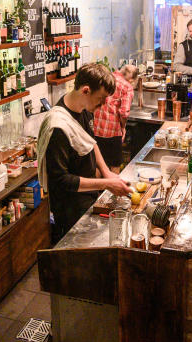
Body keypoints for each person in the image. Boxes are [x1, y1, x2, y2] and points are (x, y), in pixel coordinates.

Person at [38, 63, 132, 242]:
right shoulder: (58, 127)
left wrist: (107, 173)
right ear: (86, 90)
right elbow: (60, 181)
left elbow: (91, 142)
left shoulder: (85, 109)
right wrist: (105, 184)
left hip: (88, 198)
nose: (104, 104)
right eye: (102, 98)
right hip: (69, 210)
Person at [92, 64, 139, 170]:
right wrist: (123, 127)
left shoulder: (105, 78)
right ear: (131, 79)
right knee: (114, 167)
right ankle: (113, 186)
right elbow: (124, 112)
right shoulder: (127, 87)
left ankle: (99, 187)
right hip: (112, 132)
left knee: (98, 165)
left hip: (95, 129)